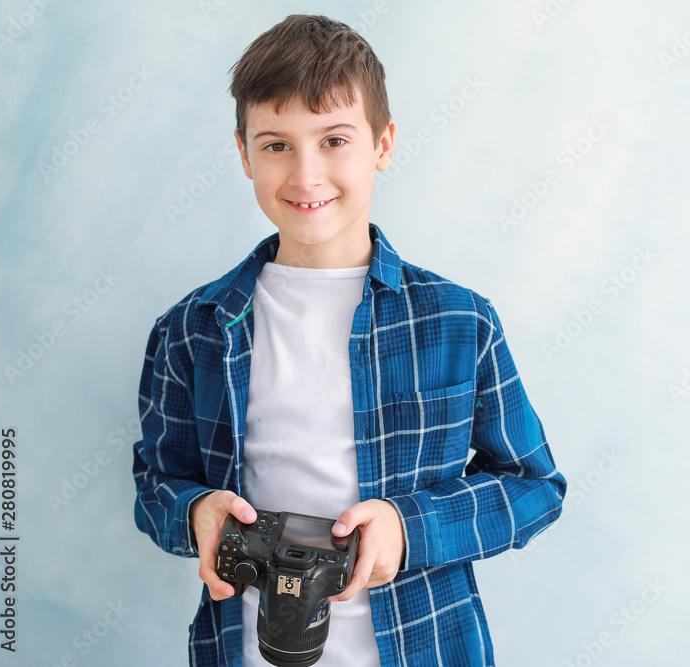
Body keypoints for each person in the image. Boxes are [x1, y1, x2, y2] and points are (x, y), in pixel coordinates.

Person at [131, 13, 566, 667]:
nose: (306, 176)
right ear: (245, 152)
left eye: (334, 139)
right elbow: (155, 479)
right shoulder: (191, 331)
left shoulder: (459, 322)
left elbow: (534, 484)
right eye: (277, 145)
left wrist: (407, 525)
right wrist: (194, 512)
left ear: (382, 144)